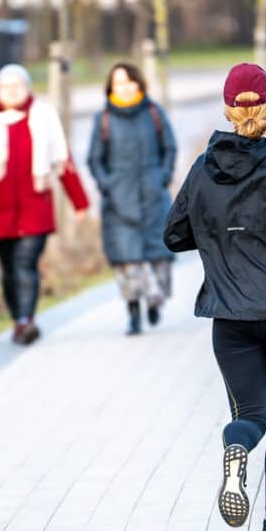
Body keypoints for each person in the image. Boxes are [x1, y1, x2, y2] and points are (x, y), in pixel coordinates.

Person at [163, 63, 266, 531]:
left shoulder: (202, 168)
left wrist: (219, 240)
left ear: (227, 110)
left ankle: (237, 447)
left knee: (250, 414)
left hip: (230, 315)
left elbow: (174, 234)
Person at [0, 64, 89, 345]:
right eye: (5, 86)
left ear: (28, 88)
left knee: (25, 263)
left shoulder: (44, 116)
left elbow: (63, 162)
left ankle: (26, 321)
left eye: (17, 85)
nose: (11, 91)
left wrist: (80, 202)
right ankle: (17, 316)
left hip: (35, 208)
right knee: (9, 270)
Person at [87, 63, 178, 336]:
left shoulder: (153, 112)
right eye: (118, 83)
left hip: (153, 195)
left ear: (139, 83)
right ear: (110, 88)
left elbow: (170, 147)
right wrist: (108, 185)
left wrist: (162, 177)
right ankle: (134, 313)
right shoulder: (103, 118)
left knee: (160, 258)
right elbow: (94, 159)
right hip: (119, 200)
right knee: (128, 262)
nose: (125, 87)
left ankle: (155, 300)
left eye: (129, 81)